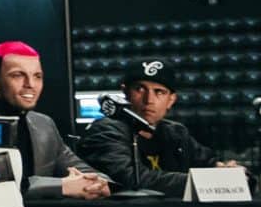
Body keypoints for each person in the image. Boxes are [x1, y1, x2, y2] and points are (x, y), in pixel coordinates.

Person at [75, 57, 235, 197]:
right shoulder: (106, 130)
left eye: (159, 92)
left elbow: (210, 163)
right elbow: (132, 180)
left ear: (171, 100)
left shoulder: (176, 132)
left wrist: (230, 172)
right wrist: (209, 180)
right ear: (125, 93)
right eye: (139, 89)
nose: (149, 99)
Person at [0, 41, 108, 199]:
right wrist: (63, 186)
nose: (30, 84)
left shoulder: (44, 124)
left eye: (37, 76)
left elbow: (82, 169)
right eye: (18, 75)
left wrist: (100, 183)